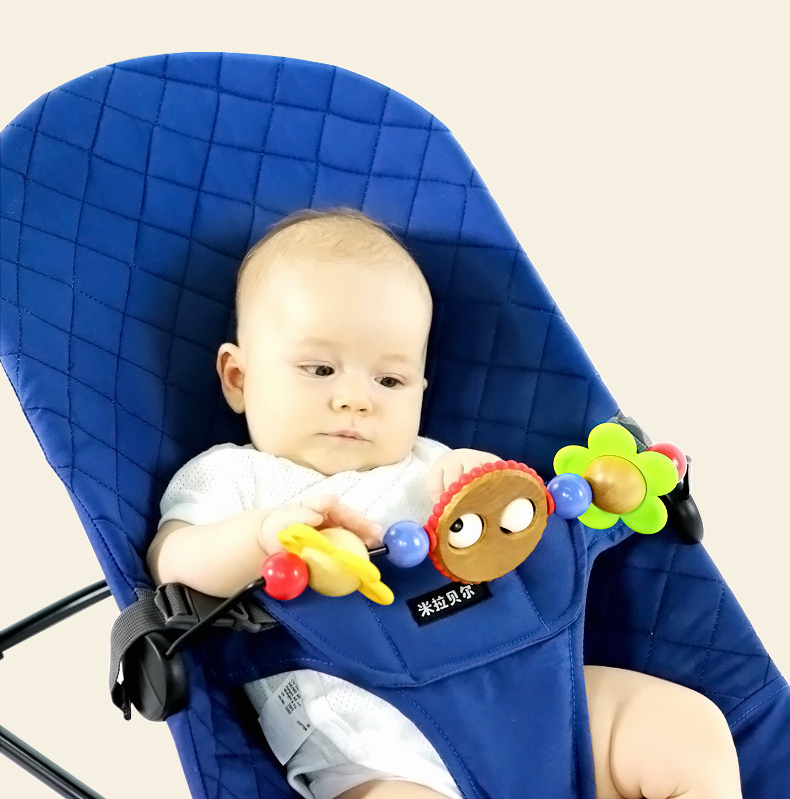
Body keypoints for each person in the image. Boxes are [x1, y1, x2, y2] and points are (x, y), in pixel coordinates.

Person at [148, 209, 742, 799]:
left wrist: (491, 485)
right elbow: (171, 563)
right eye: (320, 368)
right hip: (379, 753)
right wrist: (261, 537)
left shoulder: (435, 465)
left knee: (686, 729)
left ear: (420, 390)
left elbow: (521, 537)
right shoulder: (236, 477)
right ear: (238, 377)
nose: (355, 398)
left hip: (533, 695)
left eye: (390, 380)